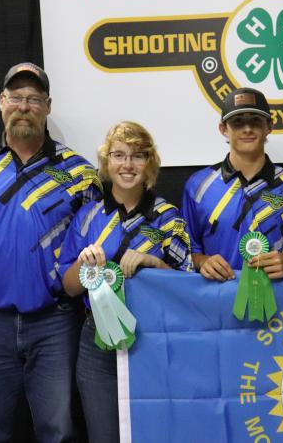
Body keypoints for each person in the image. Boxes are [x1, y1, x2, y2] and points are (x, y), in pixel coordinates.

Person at [0, 62, 101, 442]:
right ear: (1, 103)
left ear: (48, 106)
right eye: (16, 97)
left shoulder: (80, 173)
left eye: (33, 98)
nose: (23, 106)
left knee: (57, 430)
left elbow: (93, 248)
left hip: (55, 322)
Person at [58, 121, 192, 443]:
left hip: (153, 337)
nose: (128, 165)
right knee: (103, 435)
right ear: (106, 163)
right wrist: (83, 263)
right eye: (119, 155)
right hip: (97, 339)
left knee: (155, 433)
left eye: (137, 156)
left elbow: (189, 288)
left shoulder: (168, 217)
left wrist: (155, 263)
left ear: (150, 164)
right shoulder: (88, 216)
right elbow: (68, 286)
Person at [181, 87, 283, 281]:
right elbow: (186, 250)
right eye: (238, 122)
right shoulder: (198, 186)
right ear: (223, 129)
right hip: (215, 299)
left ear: (269, 126)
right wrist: (202, 261)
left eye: (255, 121)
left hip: (278, 302)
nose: (247, 129)